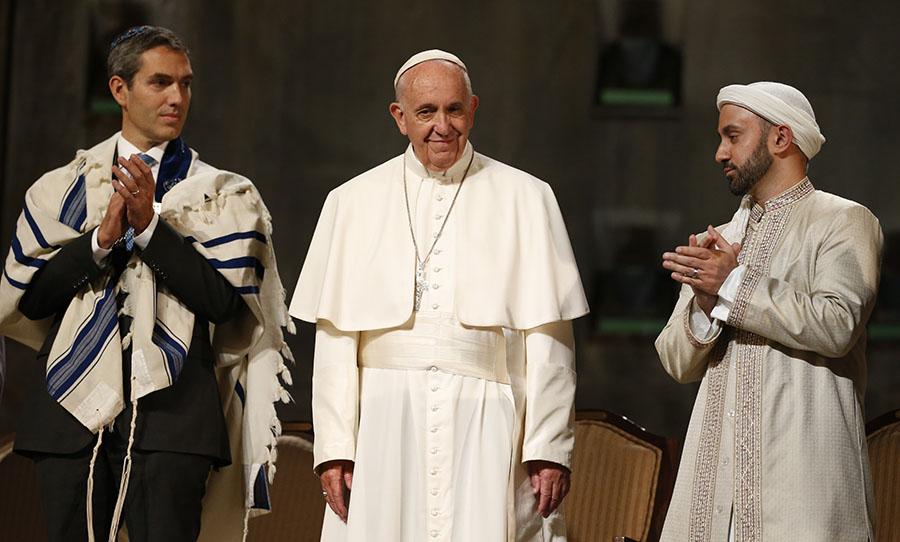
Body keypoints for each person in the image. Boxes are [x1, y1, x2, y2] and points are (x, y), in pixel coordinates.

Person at [0, 26, 292, 541]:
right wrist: (100, 241)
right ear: (119, 90)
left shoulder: (220, 195)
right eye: (160, 83)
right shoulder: (62, 188)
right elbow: (33, 299)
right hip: (69, 416)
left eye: (185, 84)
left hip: (173, 419)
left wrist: (152, 231)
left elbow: (224, 305)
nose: (176, 98)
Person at [290, 49, 588, 541]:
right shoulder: (351, 201)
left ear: (473, 108)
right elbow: (336, 342)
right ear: (399, 117)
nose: (442, 126)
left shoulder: (527, 197)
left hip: (487, 417)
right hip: (383, 420)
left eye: (454, 110)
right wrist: (336, 447)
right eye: (426, 112)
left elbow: (551, 339)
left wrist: (548, 446)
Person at [656, 81, 881, 541]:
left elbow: (837, 325)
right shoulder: (720, 237)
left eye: (732, 136)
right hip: (713, 480)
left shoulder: (842, 221)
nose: (720, 153)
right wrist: (704, 302)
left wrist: (732, 284)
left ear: (781, 138)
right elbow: (677, 362)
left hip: (802, 480)